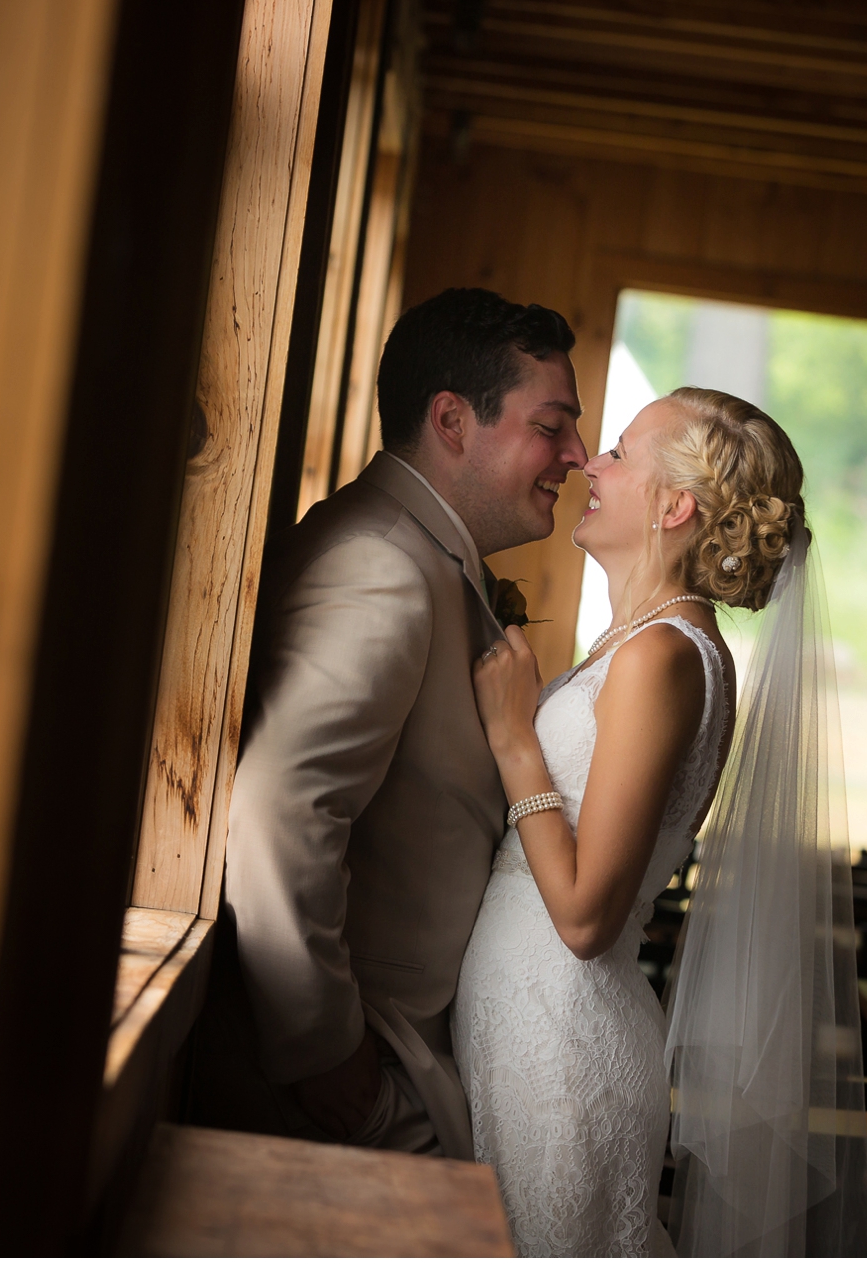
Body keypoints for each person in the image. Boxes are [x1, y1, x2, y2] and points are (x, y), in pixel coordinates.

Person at [459, 386, 867, 1256]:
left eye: (617, 453)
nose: (589, 466)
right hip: (526, 1023)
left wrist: (512, 737)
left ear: (674, 505)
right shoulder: (642, 643)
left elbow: (584, 917)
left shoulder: (663, 659)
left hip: (562, 1047)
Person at [203, 287, 586, 1159]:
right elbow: (283, 807)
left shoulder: (421, 555)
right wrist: (324, 1050)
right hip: (346, 1087)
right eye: (551, 425)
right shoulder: (381, 565)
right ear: (452, 420)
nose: (577, 454)